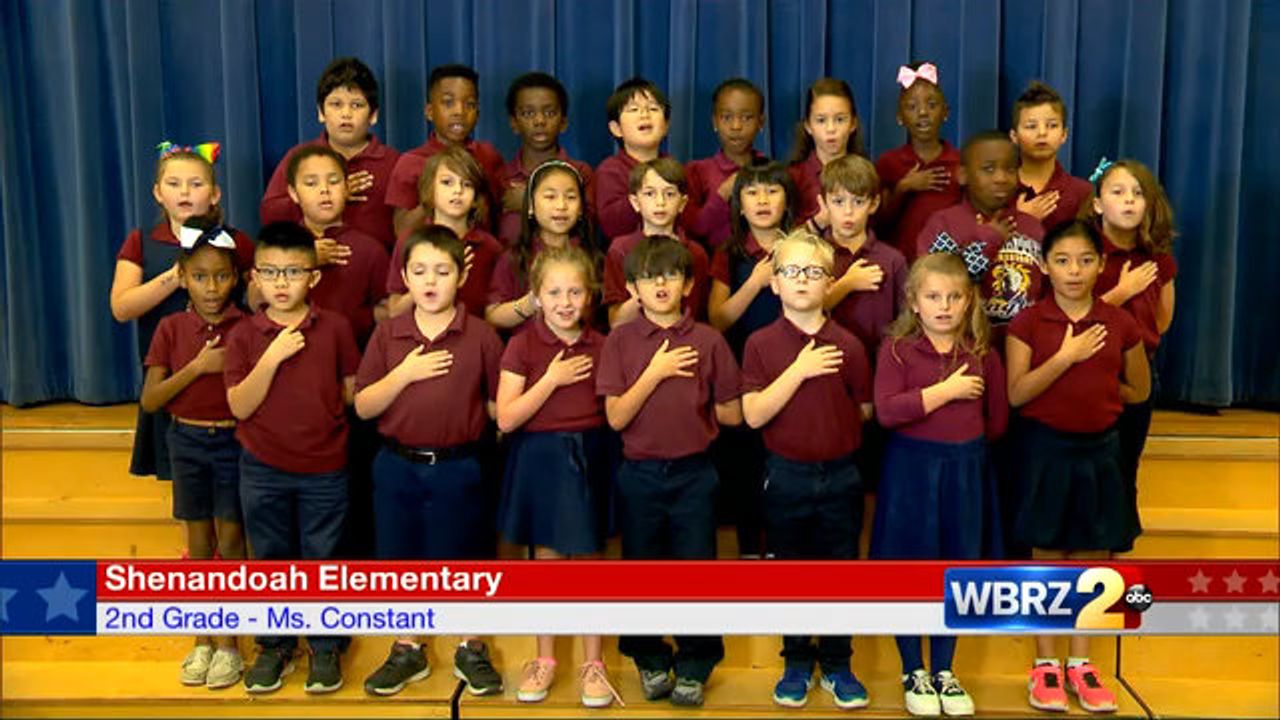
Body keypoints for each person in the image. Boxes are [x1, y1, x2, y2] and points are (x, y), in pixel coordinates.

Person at [354, 226, 506, 698]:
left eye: (442, 271)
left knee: (465, 555)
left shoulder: (480, 335)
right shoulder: (387, 334)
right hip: (397, 464)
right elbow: (363, 406)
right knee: (402, 558)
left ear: (461, 276)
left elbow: (499, 404)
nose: (431, 281)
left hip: (459, 465)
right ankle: (408, 647)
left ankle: (470, 645)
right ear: (404, 277)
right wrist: (405, 373)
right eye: (419, 271)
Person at [1005, 221, 1149, 714]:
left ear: (1101, 265)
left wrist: (1100, 399)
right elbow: (1017, 393)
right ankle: (1045, 665)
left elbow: (1139, 390)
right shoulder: (1029, 321)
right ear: (1045, 265)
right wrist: (1066, 358)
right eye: (1062, 260)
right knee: (1046, 552)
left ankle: (1081, 665)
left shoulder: (1119, 322)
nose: (1074, 271)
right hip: (1045, 451)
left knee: (1093, 557)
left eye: (1086, 260)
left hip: (1100, 452)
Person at [596, 236, 743, 707]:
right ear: (633, 288)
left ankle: (696, 662)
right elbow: (617, 417)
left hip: (694, 474)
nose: (660, 284)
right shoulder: (619, 341)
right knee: (641, 570)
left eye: (671, 275)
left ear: (688, 285)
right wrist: (656, 372)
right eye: (648, 276)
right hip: (639, 473)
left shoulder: (709, 340)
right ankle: (649, 658)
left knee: (696, 570)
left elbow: (733, 413)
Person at [224, 222, 361, 695]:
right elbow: (239, 405)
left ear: (314, 278)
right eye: (270, 272)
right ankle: (276, 645)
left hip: (325, 467)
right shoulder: (244, 335)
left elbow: (348, 392)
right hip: (263, 468)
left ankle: (325, 646)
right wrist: (274, 355)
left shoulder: (336, 327)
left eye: (293, 272)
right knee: (272, 556)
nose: (281, 283)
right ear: (255, 278)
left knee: (325, 556)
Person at [739, 229, 873, 711]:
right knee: (791, 572)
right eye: (792, 271)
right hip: (785, 475)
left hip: (840, 475)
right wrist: (798, 370)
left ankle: (838, 664)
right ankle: (796, 661)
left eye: (813, 272)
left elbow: (863, 409)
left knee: (841, 573)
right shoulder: (760, 343)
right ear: (774, 283)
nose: (802, 280)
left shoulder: (851, 345)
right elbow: (752, 414)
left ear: (828, 282)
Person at [871, 253, 1008, 717]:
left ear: (969, 300)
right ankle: (913, 668)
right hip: (911, 472)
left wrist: (964, 447)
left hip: (965, 471)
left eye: (953, 297)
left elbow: (997, 421)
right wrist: (943, 394)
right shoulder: (896, 349)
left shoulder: (982, 352)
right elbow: (887, 411)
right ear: (914, 300)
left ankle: (945, 669)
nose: (944, 306)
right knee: (909, 570)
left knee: (958, 569)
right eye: (933, 297)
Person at [496, 245, 622, 708]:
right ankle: (544, 658)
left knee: (589, 561)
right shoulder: (523, 344)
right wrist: (550, 379)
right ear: (537, 295)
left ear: (589, 296)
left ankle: (594, 663)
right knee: (546, 562)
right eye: (554, 292)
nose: (565, 301)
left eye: (574, 291)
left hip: (590, 454)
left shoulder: (603, 344)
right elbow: (506, 418)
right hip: (540, 459)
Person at [139, 223, 248, 690]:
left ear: (237, 278)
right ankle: (202, 639)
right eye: (200, 277)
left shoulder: (247, 328)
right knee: (199, 543)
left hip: (235, 444)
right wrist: (198, 367)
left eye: (221, 277)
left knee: (232, 540)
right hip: (186, 444)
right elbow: (151, 399)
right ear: (183, 277)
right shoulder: (171, 328)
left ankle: (231, 646)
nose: (211, 287)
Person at [110, 141, 254, 481]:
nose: (185, 192)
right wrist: (176, 277)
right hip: (169, 375)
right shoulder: (142, 241)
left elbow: (256, 301)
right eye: (174, 184)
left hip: (225, 378)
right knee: (182, 479)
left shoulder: (235, 242)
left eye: (196, 184)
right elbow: (121, 307)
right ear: (158, 193)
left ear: (215, 194)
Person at [1084, 158, 1177, 540]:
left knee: (1124, 464)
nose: (1128, 201)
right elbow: (1075, 314)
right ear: (1097, 203)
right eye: (1118, 192)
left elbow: (1163, 319)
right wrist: (1120, 294)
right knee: (1090, 465)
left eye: (1138, 194)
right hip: (1088, 370)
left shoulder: (1157, 260)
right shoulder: (1085, 253)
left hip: (1138, 370)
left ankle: (1118, 545)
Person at [706, 161, 794, 558]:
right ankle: (749, 548)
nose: (762, 200)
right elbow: (717, 318)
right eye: (752, 192)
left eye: (772, 191)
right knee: (747, 463)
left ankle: (781, 547)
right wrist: (756, 282)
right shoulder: (730, 252)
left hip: (794, 370)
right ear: (738, 205)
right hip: (744, 370)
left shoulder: (802, 247)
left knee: (785, 462)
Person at [260, 57, 399, 249]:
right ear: (320, 112)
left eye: (357, 105)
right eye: (336, 104)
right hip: (308, 265)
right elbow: (269, 214)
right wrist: (325, 194)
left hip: (373, 267)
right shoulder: (300, 157)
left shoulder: (394, 163)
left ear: (373, 115)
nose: (346, 114)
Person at [286, 145, 389, 348]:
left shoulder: (370, 250)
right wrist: (303, 260)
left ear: (347, 188)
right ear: (293, 193)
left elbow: (387, 311)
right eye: (311, 183)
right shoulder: (280, 245)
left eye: (333, 181)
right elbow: (255, 300)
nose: (324, 190)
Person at [386, 63, 505, 235]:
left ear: (478, 114)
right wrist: (435, 197)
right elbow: (402, 230)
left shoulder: (488, 156)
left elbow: (500, 216)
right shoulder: (411, 162)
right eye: (448, 103)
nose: (459, 112)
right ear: (429, 111)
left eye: (469, 104)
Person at [386, 147, 503, 319]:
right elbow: (394, 310)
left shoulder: (490, 247)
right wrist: (431, 280)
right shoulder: (409, 240)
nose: (457, 191)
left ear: (476, 199)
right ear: (430, 190)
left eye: (467, 184)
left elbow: (494, 314)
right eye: (447, 182)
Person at [486, 159, 598, 331]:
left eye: (571, 197)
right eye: (550, 197)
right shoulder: (515, 258)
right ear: (531, 205)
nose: (561, 206)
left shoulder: (593, 258)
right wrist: (532, 302)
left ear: (581, 208)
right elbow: (493, 316)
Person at [602, 158, 710, 327]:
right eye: (650, 193)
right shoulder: (621, 250)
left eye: (669, 194)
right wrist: (644, 293)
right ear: (635, 202)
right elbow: (615, 322)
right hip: (636, 343)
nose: (660, 202)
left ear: (682, 203)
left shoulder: (696, 253)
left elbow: (700, 316)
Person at [875, 62, 962, 262]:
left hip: (947, 267)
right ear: (900, 117)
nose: (923, 113)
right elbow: (877, 223)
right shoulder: (888, 163)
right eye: (912, 107)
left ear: (946, 112)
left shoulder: (960, 163)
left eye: (931, 105)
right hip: (900, 265)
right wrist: (903, 188)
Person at [496, 71, 594, 247]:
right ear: (514, 123)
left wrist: (527, 201)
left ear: (563, 122)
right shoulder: (501, 177)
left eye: (549, 113)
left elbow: (590, 230)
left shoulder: (580, 172)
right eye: (528, 113)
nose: (539, 121)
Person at [683, 78, 768, 249]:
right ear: (715, 122)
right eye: (727, 117)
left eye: (746, 118)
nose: (736, 126)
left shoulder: (771, 171)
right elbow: (692, 229)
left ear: (761, 122)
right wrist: (722, 194)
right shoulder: (696, 171)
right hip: (713, 266)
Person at [593, 77, 672, 241]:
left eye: (653, 108)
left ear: (665, 126)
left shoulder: (673, 167)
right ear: (616, 129)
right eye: (633, 109)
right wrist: (648, 189)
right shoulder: (610, 170)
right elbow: (611, 225)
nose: (644, 114)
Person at [1009, 81, 1091, 233]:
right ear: (1014, 136)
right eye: (1031, 126)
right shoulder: (998, 189)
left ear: (1064, 135)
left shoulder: (1082, 193)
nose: (1042, 133)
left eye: (1052, 125)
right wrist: (1021, 219)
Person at [788, 78, 866, 230]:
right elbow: (781, 241)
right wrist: (818, 223)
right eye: (821, 120)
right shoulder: (793, 177)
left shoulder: (866, 173)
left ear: (853, 124)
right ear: (808, 126)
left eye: (840, 119)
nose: (831, 129)